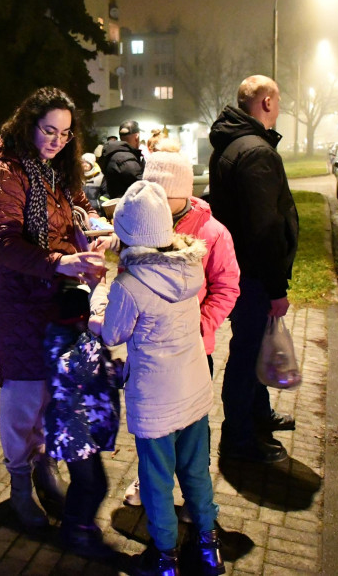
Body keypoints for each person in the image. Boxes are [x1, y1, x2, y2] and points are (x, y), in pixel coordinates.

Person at [0, 86, 108, 530]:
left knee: (55, 391)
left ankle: (42, 466)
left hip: (58, 297)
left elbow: (82, 211)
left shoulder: (58, 170)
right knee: (24, 394)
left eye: (65, 134)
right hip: (19, 301)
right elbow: (3, 244)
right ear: (27, 123)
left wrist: (100, 232)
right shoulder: (5, 171)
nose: (56, 141)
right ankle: (20, 485)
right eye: (48, 130)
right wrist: (60, 260)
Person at [90, 181, 223, 576]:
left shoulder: (130, 286)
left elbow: (113, 333)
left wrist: (99, 295)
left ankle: (165, 558)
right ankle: (209, 546)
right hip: (195, 388)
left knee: (156, 481)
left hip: (156, 399)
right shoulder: (189, 264)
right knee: (196, 472)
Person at [122, 139, 241, 507]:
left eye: (161, 193)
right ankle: (150, 484)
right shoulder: (143, 224)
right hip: (148, 352)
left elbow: (227, 286)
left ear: (181, 193)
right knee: (152, 429)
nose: (153, 200)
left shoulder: (213, 233)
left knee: (193, 432)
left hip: (192, 351)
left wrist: (202, 325)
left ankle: (195, 500)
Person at [209, 74, 299, 464]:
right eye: (278, 102)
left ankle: (259, 415)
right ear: (265, 102)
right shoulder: (256, 152)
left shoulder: (229, 145)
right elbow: (265, 228)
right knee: (246, 355)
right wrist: (276, 287)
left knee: (254, 345)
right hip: (254, 275)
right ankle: (238, 439)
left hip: (238, 269)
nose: (279, 109)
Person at [44, 283, 121, 557]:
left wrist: (117, 370)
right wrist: (93, 338)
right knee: (91, 484)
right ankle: (76, 530)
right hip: (74, 432)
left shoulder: (80, 340)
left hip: (88, 430)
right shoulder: (59, 343)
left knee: (93, 484)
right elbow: (74, 370)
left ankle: (78, 524)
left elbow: (100, 370)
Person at [97, 120, 144, 198]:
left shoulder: (112, 154)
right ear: (137, 137)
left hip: (117, 203)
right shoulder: (126, 159)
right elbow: (140, 186)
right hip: (127, 205)